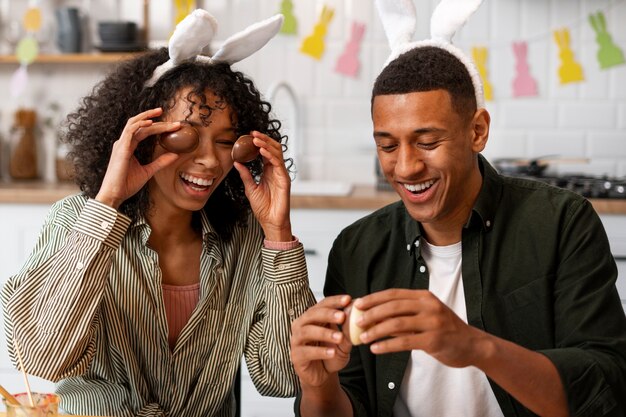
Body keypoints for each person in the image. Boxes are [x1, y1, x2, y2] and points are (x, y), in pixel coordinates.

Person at [289, 1, 626, 416]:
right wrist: (317, 385)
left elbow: (605, 387)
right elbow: (348, 403)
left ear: (478, 131)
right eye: (387, 145)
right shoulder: (357, 248)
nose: (407, 167)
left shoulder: (561, 223)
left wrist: (474, 346)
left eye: (427, 142)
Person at [2, 10, 315, 417]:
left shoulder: (245, 238)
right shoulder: (73, 220)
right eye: (186, 136)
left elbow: (282, 379)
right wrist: (107, 204)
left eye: (224, 141)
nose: (208, 161)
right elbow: (42, 358)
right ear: (142, 137)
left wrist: (278, 236)